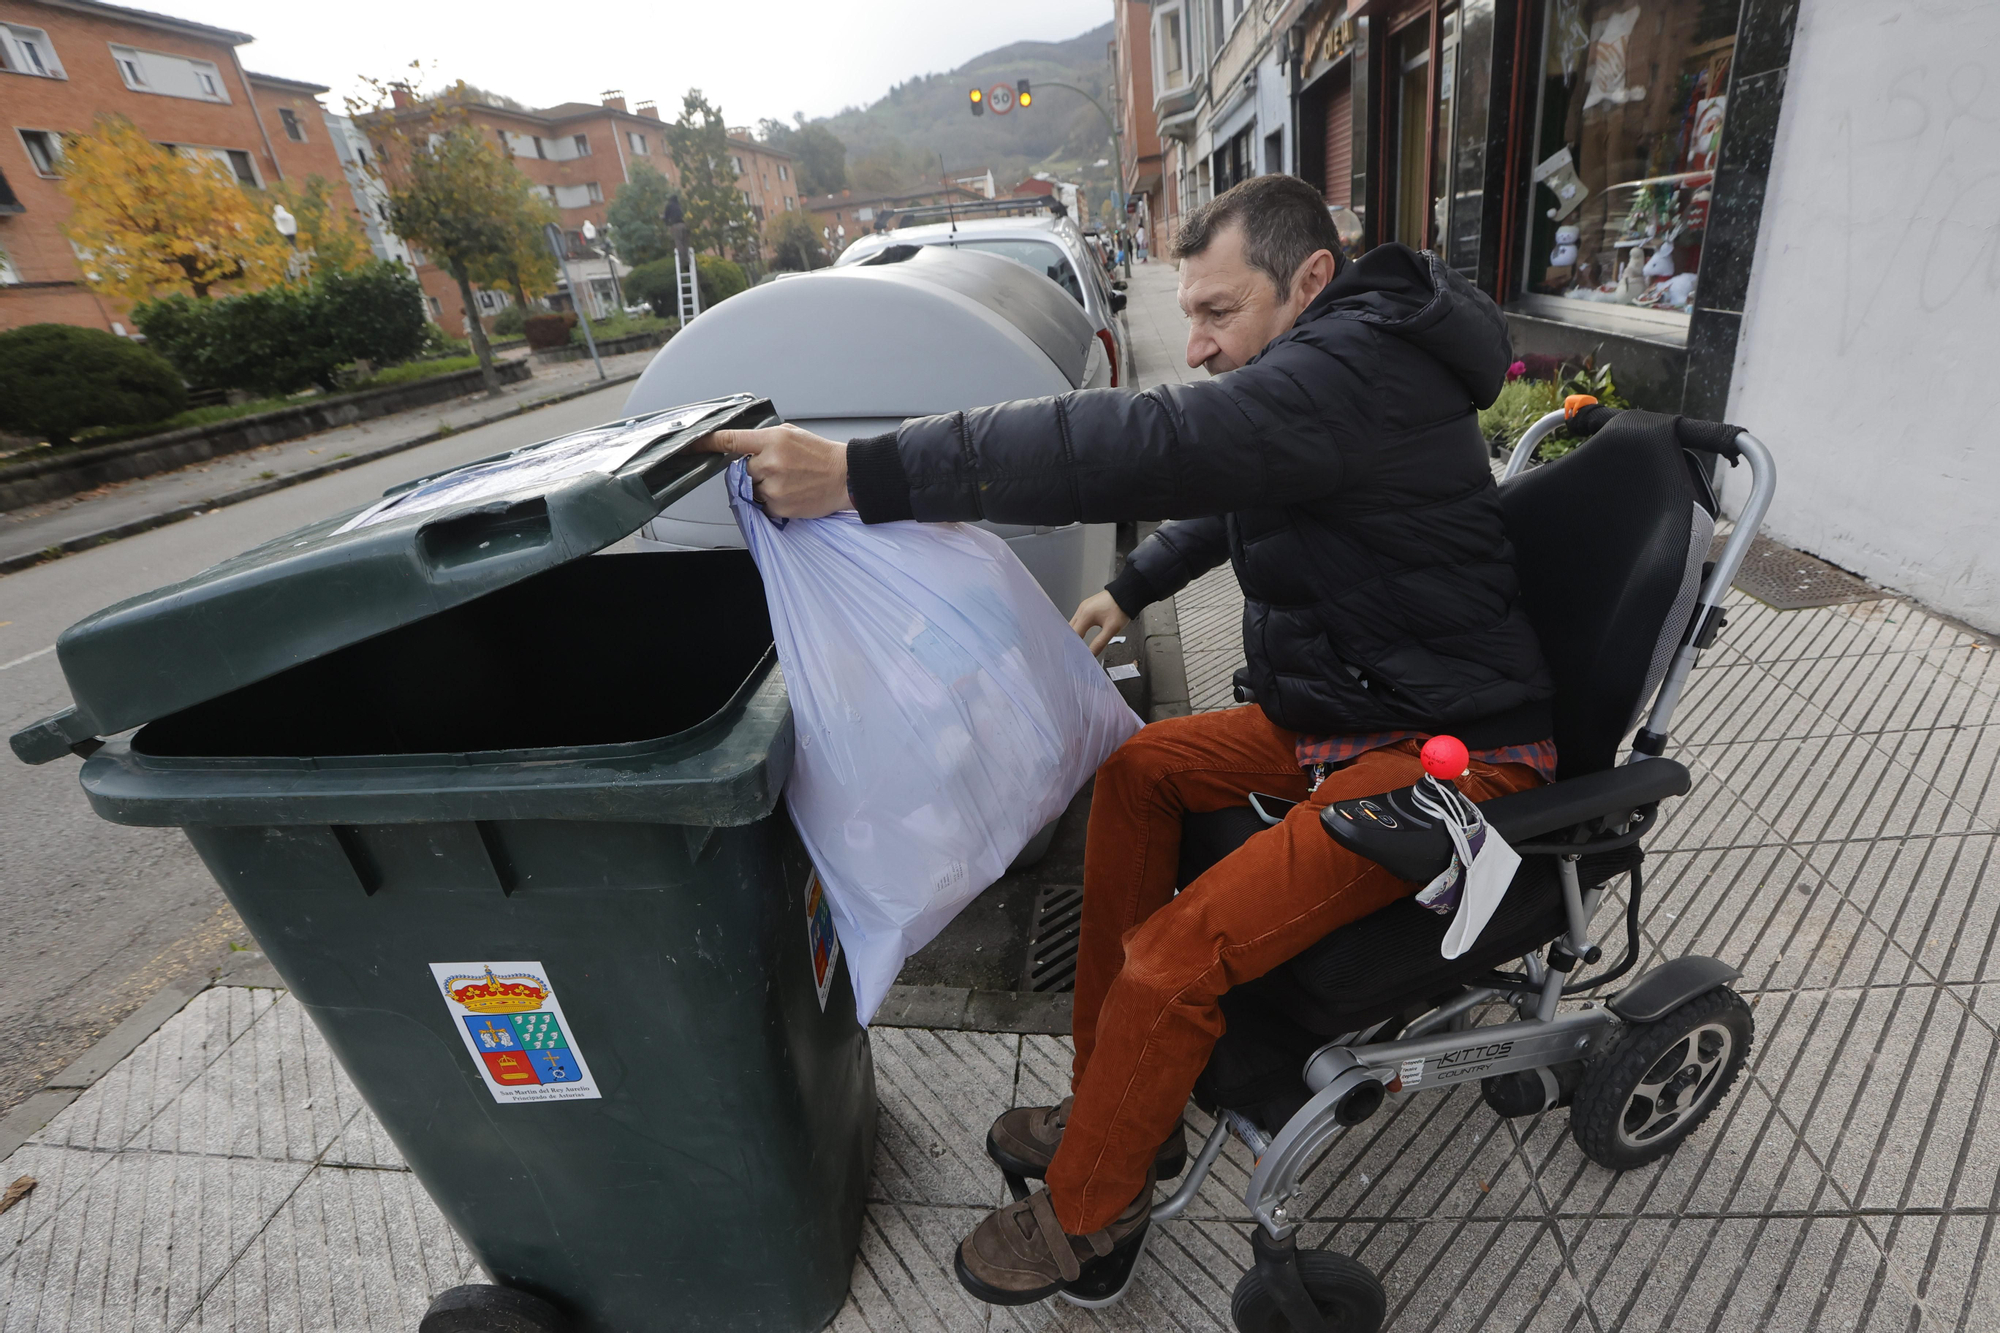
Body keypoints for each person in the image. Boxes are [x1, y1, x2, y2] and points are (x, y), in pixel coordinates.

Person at [694, 173, 1554, 1304]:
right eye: (1184, 312)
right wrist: (1136, 581)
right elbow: (1241, 481)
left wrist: (862, 474)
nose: (1193, 345)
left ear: (1308, 280)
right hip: (1350, 712)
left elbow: (1146, 442)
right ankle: (1112, 1102)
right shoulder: (1331, 368)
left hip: (1449, 755)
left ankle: (1092, 1213)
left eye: (1215, 313)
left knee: (1172, 956)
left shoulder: (1357, 367)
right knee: (1140, 767)